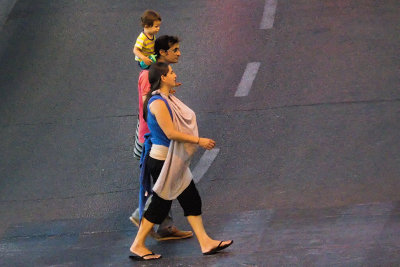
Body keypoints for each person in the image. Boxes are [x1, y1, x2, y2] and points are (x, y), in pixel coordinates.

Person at [129, 62, 233, 261]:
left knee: (190, 199)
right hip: (163, 160)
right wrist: (198, 141)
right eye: (171, 72)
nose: (175, 74)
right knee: (160, 204)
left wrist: (171, 88)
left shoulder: (165, 98)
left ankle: (205, 242)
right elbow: (170, 132)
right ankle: (138, 244)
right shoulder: (157, 103)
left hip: (172, 159)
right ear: (163, 77)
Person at [130, 35, 193, 241]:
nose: (179, 53)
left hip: (152, 136)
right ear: (163, 53)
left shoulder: (159, 74)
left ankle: (165, 225)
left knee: (163, 180)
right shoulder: (152, 74)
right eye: (174, 50)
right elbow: (152, 106)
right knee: (163, 181)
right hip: (152, 137)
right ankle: (143, 215)